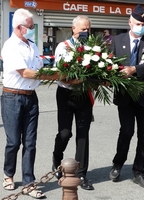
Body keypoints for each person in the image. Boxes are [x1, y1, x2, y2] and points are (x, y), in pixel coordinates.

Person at [1, 8, 60, 199]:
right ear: (19, 27)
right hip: (12, 97)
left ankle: (28, 182)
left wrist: (56, 70)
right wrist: (54, 75)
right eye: (30, 26)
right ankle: (8, 174)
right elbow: (25, 72)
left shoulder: (32, 45)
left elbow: (40, 67)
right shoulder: (11, 46)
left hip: (31, 97)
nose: (33, 28)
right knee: (13, 142)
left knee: (30, 142)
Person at [109, 4, 144, 189]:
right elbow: (109, 62)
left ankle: (139, 172)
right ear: (129, 22)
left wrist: (134, 69)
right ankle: (118, 163)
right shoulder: (117, 40)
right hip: (125, 96)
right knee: (126, 131)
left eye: (143, 23)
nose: (141, 26)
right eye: (138, 23)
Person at [52, 15, 94, 190]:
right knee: (65, 133)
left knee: (83, 135)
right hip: (66, 94)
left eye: (88, 29)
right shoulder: (63, 47)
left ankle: (82, 173)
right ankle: (57, 159)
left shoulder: (92, 48)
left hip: (84, 94)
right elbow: (61, 72)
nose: (86, 32)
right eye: (83, 29)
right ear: (74, 29)